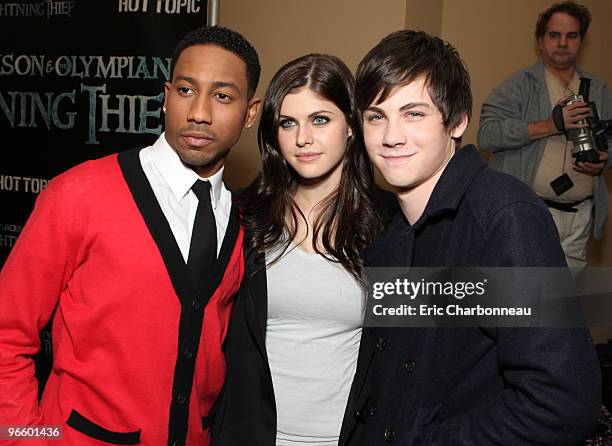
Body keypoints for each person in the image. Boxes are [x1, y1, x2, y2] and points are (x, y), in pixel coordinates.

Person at [0, 26, 261, 445]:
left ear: (250, 113)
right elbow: (6, 333)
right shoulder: (78, 195)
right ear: (165, 94)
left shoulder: (244, 220)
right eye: (185, 90)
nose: (199, 112)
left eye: (223, 96)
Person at [350, 29, 601, 444]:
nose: (390, 136)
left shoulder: (504, 217)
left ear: (458, 121)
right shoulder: (389, 229)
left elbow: (561, 402)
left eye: (414, 114)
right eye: (376, 116)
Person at [210, 54, 391, 446]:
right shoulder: (240, 216)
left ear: (352, 126)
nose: (302, 138)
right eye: (287, 123)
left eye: (320, 120)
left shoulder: (391, 224)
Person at [478, 1, 612, 271]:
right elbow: (487, 135)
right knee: (522, 297)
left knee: (564, 301)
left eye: (571, 36)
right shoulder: (517, 86)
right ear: (540, 41)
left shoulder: (598, 89)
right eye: (554, 35)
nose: (563, 42)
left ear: (581, 41)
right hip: (529, 212)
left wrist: (604, 159)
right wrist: (549, 125)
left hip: (580, 217)